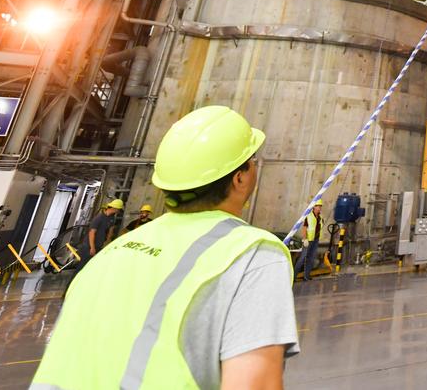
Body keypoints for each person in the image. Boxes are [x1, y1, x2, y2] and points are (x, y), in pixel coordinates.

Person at [31, 106, 299, 389]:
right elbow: (254, 383)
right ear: (240, 177)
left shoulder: (112, 253)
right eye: (251, 160)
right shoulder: (251, 254)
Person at [75, 199, 123, 274]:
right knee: (82, 268)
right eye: (119, 210)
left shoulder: (112, 218)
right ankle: (71, 285)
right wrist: (92, 247)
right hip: (89, 247)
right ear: (115, 208)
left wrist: (107, 242)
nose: (118, 212)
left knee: (90, 269)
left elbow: (110, 230)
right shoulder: (99, 218)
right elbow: (92, 233)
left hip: (98, 246)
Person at [295, 200, 324, 282]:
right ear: (314, 207)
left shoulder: (320, 217)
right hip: (308, 240)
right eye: (318, 206)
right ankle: (293, 276)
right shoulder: (309, 216)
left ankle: (306, 276)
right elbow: (304, 228)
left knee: (311, 258)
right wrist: (304, 239)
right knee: (303, 258)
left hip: (315, 240)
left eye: (320, 206)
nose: (320, 208)